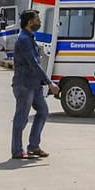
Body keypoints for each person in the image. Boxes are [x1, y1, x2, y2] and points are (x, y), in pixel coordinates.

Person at [11, 9, 60, 160]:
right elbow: (33, 64)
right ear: (30, 22)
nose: (39, 22)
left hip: (34, 84)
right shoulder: (24, 40)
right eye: (37, 19)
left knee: (43, 111)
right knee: (22, 117)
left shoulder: (30, 38)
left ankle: (33, 145)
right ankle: (17, 150)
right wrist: (49, 82)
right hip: (24, 84)